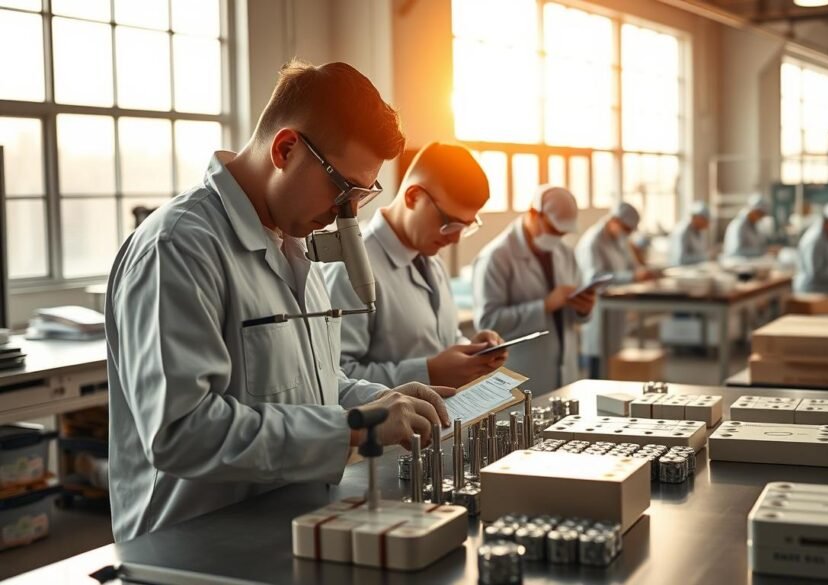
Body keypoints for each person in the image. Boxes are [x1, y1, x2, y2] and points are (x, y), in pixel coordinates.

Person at [105, 61, 453, 542]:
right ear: (286, 148)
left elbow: (311, 384)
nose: (344, 214)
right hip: (193, 549)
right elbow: (181, 432)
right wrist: (356, 426)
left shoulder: (291, 242)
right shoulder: (178, 247)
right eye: (342, 189)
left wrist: (383, 401)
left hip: (284, 530)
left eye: (360, 196)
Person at [324, 143, 508, 389]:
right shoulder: (350, 265)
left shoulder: (430, 257)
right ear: (413, 197)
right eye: (450, 224)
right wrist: (428, 373)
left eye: (465, 227)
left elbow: (442, 342)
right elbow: (334, 377)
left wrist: (471, 351)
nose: (454, 239)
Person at [472, 186, 596, 393]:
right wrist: (545, 306)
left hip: (565, 372)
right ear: (533, 214)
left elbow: (574, 316)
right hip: (521, 376)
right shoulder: (496, 257)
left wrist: (584, 309)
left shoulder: (564, 253)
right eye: (553, 230)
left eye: (562, 233)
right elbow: (488, 323)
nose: (557, 237)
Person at [576, 202, 655, 378]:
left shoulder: (619, 239)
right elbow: (594, 278)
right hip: (598, 309)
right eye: (626, 229)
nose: (627, 234)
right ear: (614, 220)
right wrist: (631, 277)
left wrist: (640, 272)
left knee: (613, 361)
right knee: (598, 365)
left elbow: (631, 265)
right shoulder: (592, 242)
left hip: (615, 308)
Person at [669, 201, 710, 266]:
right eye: (705, 220)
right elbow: (680, 259)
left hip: (694, 269)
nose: (707, 225)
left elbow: (699, 252)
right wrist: (705, 257)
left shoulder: (699, 231)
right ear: (697, 218)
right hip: (678, 270)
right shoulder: (682, 231)